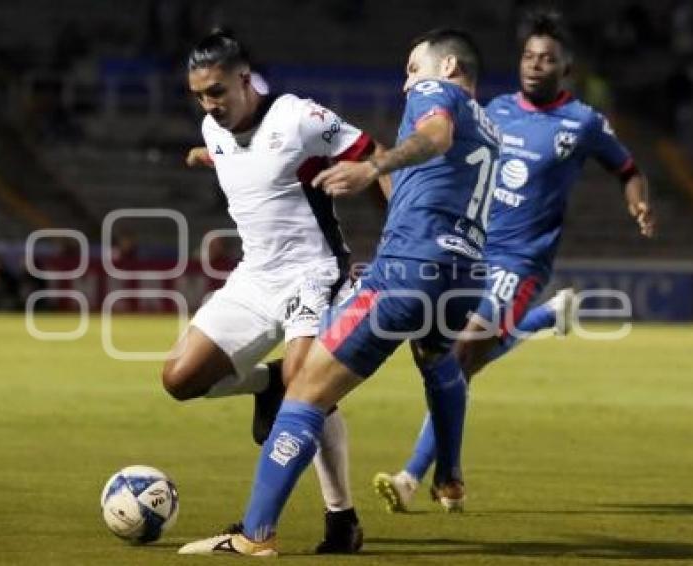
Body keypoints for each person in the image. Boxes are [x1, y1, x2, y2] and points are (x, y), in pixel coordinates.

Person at [178, 28, 500, 556]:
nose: (405, 85)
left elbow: (434, 135)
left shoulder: (434, 95)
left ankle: (255, 535)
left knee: (304, 391)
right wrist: (208, 155)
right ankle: (450, 476)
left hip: (405, 271)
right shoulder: (490, 128)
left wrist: (374, 166)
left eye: (412, 69)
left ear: (446, 69)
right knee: (439, 361)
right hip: (466, 275)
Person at [373, 9, 655, 514]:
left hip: (521, 260)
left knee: (458, 356)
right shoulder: (495, 110)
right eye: (529, 56)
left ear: (564, 69)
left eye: (547, 59)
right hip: (473, 246)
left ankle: (416, 476)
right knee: (462, 360)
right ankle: (547, 318)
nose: (535, 65)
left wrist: (638, 200)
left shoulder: (583, 122)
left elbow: (627, 167)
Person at [161, 30, 379, 553]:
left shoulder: (299, 117)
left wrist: (398, 236)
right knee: (179, 379)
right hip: (254, 276)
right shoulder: (213, 129)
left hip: (313, 275)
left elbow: (375, 155)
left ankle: (339, 520)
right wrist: (204, 155)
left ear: (243, 79)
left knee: (311, 397)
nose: (208, 105)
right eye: (198, 96)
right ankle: (268, 382)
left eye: (216, 92)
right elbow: (247, 164)